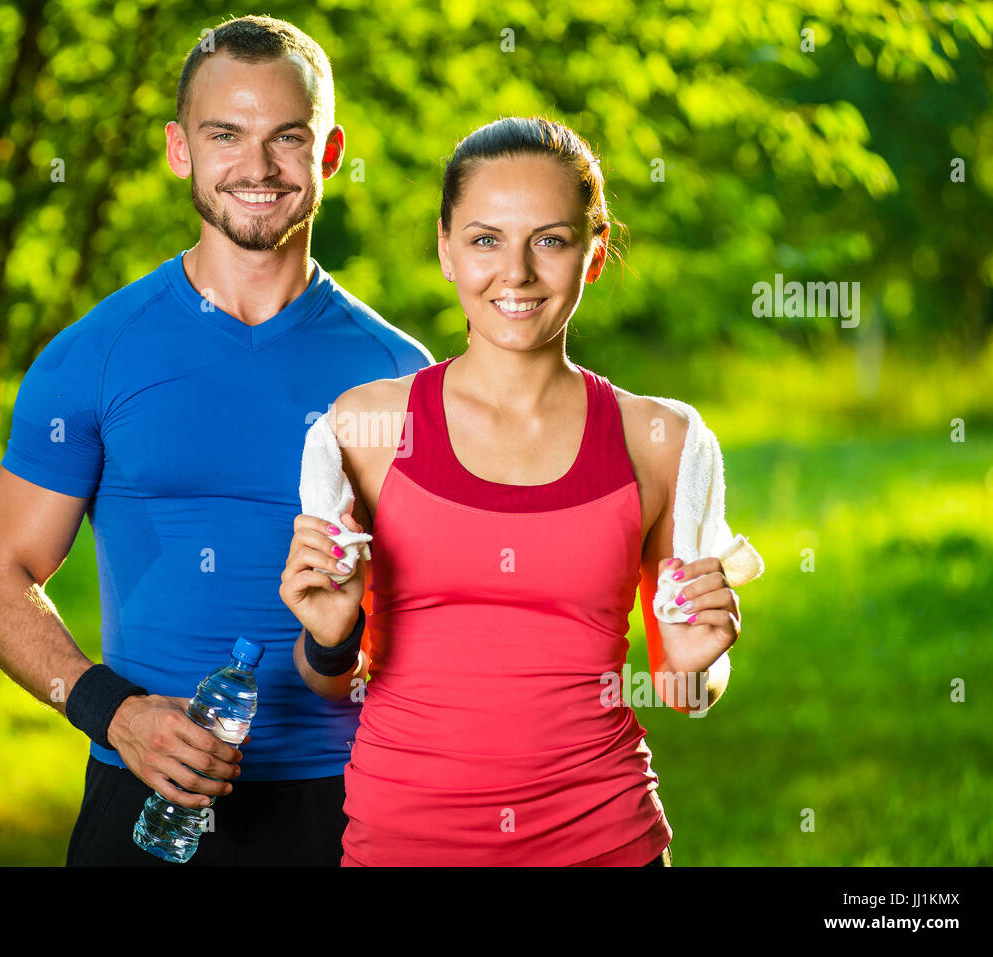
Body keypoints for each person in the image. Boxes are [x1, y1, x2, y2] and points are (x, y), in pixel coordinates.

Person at [0, 15, 432, 867]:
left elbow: (436, 613)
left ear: (329, 153)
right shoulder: (93, 356)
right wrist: (115, 711)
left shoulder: (399, 373)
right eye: (226, 136)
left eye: (288, 138)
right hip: (142, 795)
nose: (256, 168)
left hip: (351, 802)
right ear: (180, 148)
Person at [280, 116, 743, 866]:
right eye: (486, 239)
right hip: (402, 845)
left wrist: (695, 667)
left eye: (551, 240)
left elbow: (686, 690)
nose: (517, 273)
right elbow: (329, 681)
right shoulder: (361, 427)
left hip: (605, 842)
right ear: (445, 248)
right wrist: (330, 639)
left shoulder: (662, 441)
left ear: (595, 253)